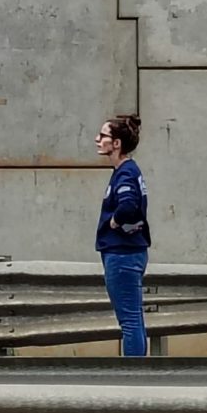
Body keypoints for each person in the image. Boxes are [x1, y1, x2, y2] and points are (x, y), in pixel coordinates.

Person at [93, 112, 150, 357]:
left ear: (116, 144)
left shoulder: (125, 173)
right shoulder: (128, 170)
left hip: (122, 254)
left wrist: (115, 221)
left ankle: (133, 376)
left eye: (103, 135)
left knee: (129, 321)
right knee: (133, 318)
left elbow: (128, 205)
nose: (97, 139)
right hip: (130, 253)